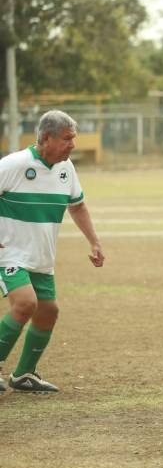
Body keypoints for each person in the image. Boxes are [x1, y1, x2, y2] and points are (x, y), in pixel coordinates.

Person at [0, 110, 104, 393]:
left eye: (74, 139)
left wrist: (94, 241)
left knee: (48, 312)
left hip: (42, 257)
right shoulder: (14, 165)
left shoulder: (65, 169)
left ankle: (23, 375)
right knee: (25, 304)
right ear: (46, 137)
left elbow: (78, 206)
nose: (73, 145)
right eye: (67, 139)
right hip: (9, 254)